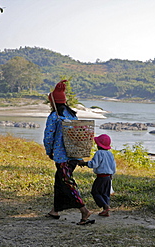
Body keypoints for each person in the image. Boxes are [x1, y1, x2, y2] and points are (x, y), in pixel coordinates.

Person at [43, 80, 94, 225]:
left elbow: (48, 137)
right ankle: (55, 210)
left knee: (66, 183)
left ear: (53, 102)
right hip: (74, 155)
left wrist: (49, 151)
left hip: (61, 157)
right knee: (60, 181)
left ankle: (84, 211)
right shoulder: (72, 115)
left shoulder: (54, 117)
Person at [79, 134, 116, 217]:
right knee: (105, 194)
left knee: (95, 192)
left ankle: (105, 206)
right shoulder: (110, 154)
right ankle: (106, 210)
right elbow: (113, 166)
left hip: (101, 177)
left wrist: (84, 163)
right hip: (108, 177)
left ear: (98, 145)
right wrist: (112, 174)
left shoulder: (99, 153)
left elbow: (94, 164)